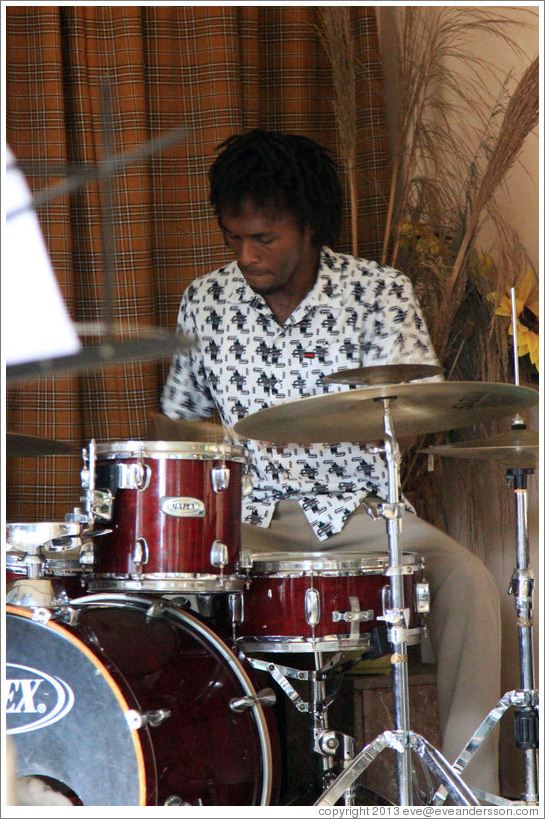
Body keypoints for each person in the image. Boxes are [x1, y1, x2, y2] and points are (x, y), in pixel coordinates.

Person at [160, 129, 501, 798]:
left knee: (470, 585)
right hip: (250, 520)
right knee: (169, 602)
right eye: (234, 239)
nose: (248, 256)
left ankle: (469, 795)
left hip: (362, 514)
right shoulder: (205, 301)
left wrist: (345, 438)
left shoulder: (378, 291)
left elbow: (413, 413)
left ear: (309, 224)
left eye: (266, 239)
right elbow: (180, 417)